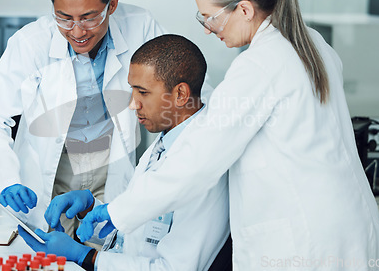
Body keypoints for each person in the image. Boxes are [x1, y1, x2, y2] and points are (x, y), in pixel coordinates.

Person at [78, 0, 379, 270]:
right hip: (346, 227)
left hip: (305, 242)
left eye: (210, 17)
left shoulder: (259, 66)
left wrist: (117, 213)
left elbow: (198, 159)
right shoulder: (311, 43)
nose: (207, 29)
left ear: (244, 9)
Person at [0, 0, 165, 236]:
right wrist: (6, 180)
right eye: (64, 18)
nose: (77, 31)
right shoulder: (31, 43)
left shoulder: (141, 26)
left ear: (112, 5)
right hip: (54, 169)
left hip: (110, 165)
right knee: (52, 252)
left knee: (103, 252)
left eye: (89, 18)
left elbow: (182, 85)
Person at [18, 34, 230, 271]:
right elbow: (135, 239)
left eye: (143, 92)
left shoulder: (203, 163)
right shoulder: (161, 147)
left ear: (180, 94)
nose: (132, 104)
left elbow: (174, 268)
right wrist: (92, 209)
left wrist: (86, 257)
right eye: (132, 91)